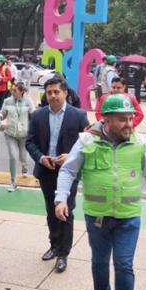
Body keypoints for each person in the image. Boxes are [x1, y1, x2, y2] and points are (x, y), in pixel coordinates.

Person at [54, 94, 146, 290]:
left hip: (128, 218)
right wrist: (61, 199)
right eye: (122, 120)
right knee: (99, 262)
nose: (129, 124)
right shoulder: (86, 141)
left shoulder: (138, 142)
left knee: (124, 265)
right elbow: (69, 170)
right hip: (97, 217)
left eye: (130, 118)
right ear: (106, 120)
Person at [25, 77, 89, 273]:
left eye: (56, 92)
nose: (52, 96)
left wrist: (71, 156)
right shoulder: (37, 116)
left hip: (68, 172)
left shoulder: (78, 115)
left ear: (65, 93)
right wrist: (40, 157)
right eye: (49, 92)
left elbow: (88, 143)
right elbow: (30, 142)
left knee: (65, 212)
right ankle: (53, 245)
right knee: (51, 212)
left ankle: (63, 253)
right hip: (46, 170)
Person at [0, 82, 35, 192]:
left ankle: (24, 166)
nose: (12, 92)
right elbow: (2, 112)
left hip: (24, 135)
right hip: (10, 135)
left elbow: (34, 115)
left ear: (22, 91)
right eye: (12, 90)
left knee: (23, 157)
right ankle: (13, 182)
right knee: (13, 157)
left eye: (15, 90)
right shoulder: (7, 101)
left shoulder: (28, 101)